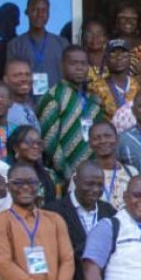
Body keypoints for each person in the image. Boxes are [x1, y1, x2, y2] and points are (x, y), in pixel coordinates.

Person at [38, 46, 101, 181]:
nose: (79, 68)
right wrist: (68, 173)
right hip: (62, 177)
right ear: (62, 65)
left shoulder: (93, 100)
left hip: (92, 174)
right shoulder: (54, 96)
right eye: (73, 63)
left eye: (83, 64)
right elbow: (49, 142)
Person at [6, 0, 67, 95]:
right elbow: (11, 78)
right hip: (25, 102)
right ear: (27, 12)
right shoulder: (15, 45)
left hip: (56, 103)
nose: (39, 14)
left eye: (44, 11)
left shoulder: (61, 43)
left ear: (49, 13)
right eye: (34, 10)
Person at [84, 121, 134, 211]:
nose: (102, 141)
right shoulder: (82, 174)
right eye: (96, 138)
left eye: (107, 136)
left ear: (117, 139)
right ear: (90, 144)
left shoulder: (132, 172)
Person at [6, 125, 60, 204]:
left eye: (38, 143)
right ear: (15, 148)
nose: (35, 146)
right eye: (28, 142)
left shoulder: (50, 174)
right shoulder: (7, 175)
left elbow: (58, 203)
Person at [89, 39, 137, 120]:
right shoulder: (96, 87)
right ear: (106, 60)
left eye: (123, 55)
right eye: (113, 55)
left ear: (130, 59)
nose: (119, 58)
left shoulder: (137, 85)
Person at [4, 59, 41, 133]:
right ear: (6, 80)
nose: (24, 79)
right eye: (17, 75)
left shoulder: (28, 107)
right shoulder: (2, 110)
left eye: (28, 74)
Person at [80, 16, 110, 83]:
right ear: (83, 36)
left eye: (99, 34)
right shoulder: (79, 59)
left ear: (106, 37)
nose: (95, 38)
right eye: (89, 34)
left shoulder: (112, 59)